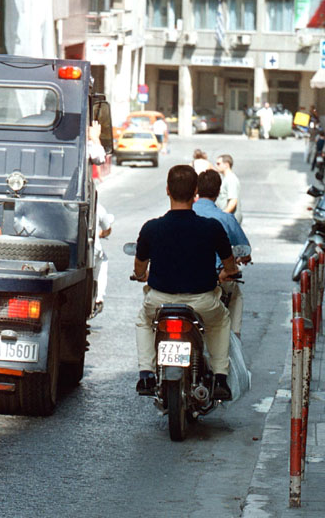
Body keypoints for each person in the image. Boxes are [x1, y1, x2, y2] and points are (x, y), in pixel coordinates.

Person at [132, 164, 239, 400]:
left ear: (167, 190)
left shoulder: (151, 228)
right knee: (221, 322)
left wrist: (142, 275)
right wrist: (228, 273)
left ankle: (146, 374)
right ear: (195, 192)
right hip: (202, 303)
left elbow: (139, 267)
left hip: (160, 303)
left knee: (143, 321)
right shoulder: (212, 227)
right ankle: (220, 378)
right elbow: (229, 264)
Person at [194, 170, 252, 338]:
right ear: (218, 191)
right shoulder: (225, 219)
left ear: (196, 189)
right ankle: (234, 338)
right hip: (216, 280)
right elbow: (244, 248)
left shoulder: (183, 216)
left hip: (183, 282)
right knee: (235, 297)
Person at [92, 200, 114, 317]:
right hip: (93, 251)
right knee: (103, 261)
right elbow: (107, 229)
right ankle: (98, 298)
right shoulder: (97, 207)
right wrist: (101, 234)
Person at [213, 154, 243, 224]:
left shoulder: (231, 179)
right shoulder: (226, 178)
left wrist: (223, 215)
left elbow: (233, 201)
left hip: (229, 219)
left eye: (218, 164)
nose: (216, 166)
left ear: (226, 165)